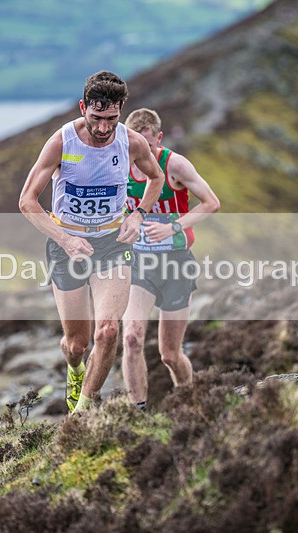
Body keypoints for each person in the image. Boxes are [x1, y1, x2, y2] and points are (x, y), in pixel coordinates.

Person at [19, 71, 165, 413]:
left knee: (109, 331)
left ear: (121, 110)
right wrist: (66, 239)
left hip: (111, 245)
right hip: (66, 247)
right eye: (96, 118)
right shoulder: (61, 142)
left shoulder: (131, 142)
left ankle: (82, 411)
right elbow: (27, 201)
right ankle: (74, 371)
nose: (103, 128)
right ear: (83, 107)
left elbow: (156, 178)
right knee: (77, 345)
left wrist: (138, 214)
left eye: (111, 119)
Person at [121, 108, 221, 409]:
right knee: (132, 339)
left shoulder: (174, 164)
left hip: (176, 263)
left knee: (169, 355)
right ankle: (138, 414)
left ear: (159, 139)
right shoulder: (118, 165)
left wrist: (172, 227)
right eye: (135, 146)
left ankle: (189, 403)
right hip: (139, 264)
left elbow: (212, 203)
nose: (142, 153)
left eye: (149, 146)